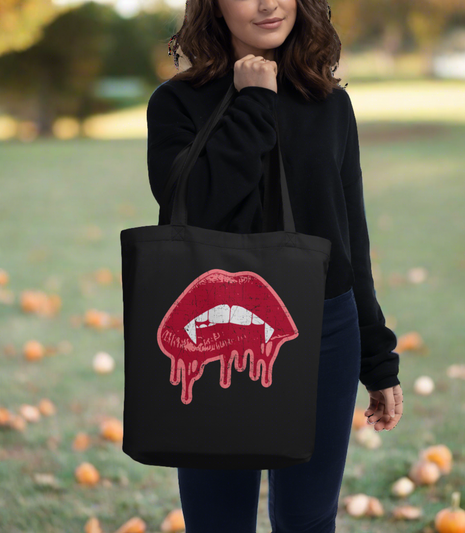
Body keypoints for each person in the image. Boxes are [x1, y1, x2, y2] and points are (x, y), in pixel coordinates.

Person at [146, 0, 404, 529]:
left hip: (323, 331)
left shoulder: (329, 104)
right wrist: (254, 102)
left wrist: (376, 358)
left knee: (308, 519)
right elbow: (197, 205)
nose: (267, 3)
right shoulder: (176, 102)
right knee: (216, 518)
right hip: (212, 330)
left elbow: (350, 234)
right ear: (214, 7)